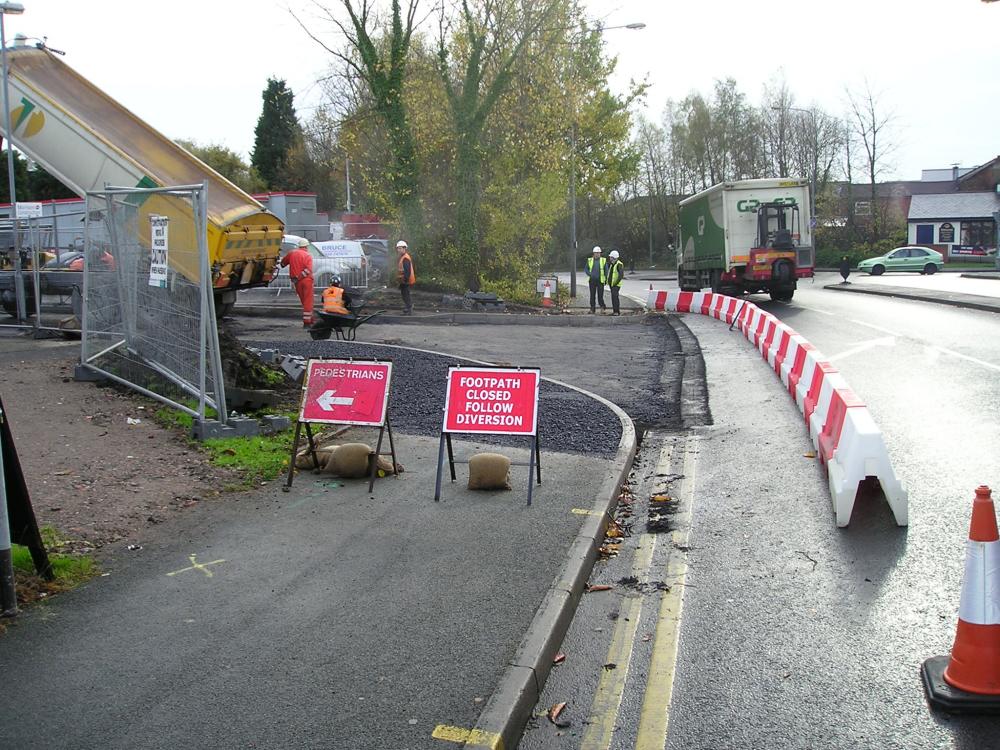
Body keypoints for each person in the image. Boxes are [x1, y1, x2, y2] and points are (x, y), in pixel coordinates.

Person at [281, 237, 314, 326]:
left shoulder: (292, 253)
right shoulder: (308, 256)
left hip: (297, 282)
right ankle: (307, 322)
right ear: (306, 246)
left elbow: (283, 263)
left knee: (303, 300)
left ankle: (311, 319)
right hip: (306, 280)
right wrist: (300, 277)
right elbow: (308, 270)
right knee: (308, 301)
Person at [586, 245, 607, 314]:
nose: (597, 254)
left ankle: (602, 307)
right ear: (593, 253)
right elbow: (586, 269)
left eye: (598, 253)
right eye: (596, 253)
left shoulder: (603, 260)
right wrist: (589, 274)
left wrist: (606, 279)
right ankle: (592, 309)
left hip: (600, 281)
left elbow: (606, 270)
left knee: (600, 296)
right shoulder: (590, 260)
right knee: (592, 295)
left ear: (600, 253)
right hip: (592, 281)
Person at [396, 240, 415, 314]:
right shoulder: (403, 257)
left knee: (406, 295)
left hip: (406, 280)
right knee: (404, 295)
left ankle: (409, 308)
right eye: (398, 248)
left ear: (404, 248)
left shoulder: (405, 258)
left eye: (400, 248)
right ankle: (408, 308)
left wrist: (405, 281)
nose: (398, 250)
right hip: (403, 280)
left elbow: (407, 271)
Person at [607, 249, 625, 315]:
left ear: (614, 257)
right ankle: (615, 311)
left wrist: (615, 283)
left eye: (611, 257)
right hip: (612, 284)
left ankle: (616, 312)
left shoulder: (619, 264)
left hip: (616, 285)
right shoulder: (612, 264)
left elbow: (621, 275)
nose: (609, 258)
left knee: (615, 298)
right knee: (613, 297)